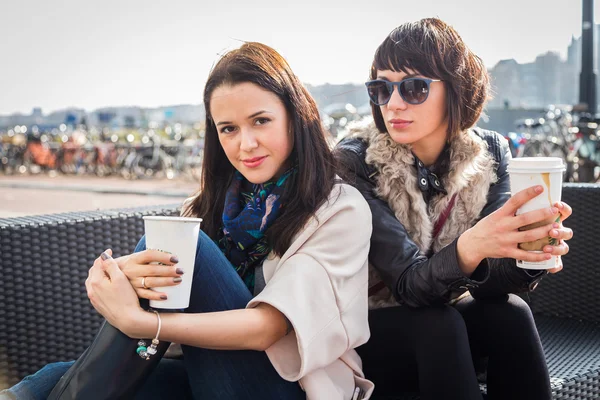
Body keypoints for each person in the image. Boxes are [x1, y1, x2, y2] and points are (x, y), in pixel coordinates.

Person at [2, 42, 374, 400]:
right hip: (208, 372)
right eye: (228, 128)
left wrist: (144, 324)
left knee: (184, 248)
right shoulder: (208, 205)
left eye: (260, 121)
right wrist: (122, 276)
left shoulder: (339, 209)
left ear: (296, 117)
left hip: (291, 386)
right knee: (53, 378)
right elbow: (172, 304)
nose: (245, 144)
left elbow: (269, 328)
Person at [334, 18, 574, 400]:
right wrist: (471, 247)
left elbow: (492, 284)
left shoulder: (490, 152)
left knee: (510, 312)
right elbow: (408, 286)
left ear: (456, 90)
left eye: (413, 88)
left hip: (445, 332)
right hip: (366, 335)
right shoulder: (356, 161)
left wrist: (529, 254)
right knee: (437, 323)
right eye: (381, 88)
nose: (393, 103)